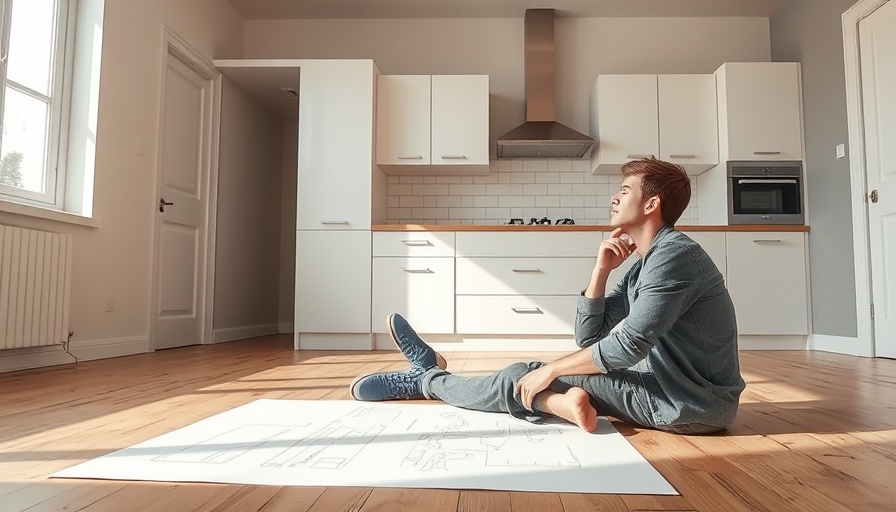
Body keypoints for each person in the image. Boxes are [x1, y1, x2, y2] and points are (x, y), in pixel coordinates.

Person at [350, 157, 746, 435]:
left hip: (688, 406)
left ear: (652, 204)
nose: (614, 197)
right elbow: (590, 339)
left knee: (523, 374)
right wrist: (601, 271)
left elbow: (627, 346)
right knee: (534, 375)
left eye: (624, 190)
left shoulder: (675, 256)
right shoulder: (648, 262)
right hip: (672, 391)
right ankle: (557, 404)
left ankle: (427, 380)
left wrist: (551, 370)